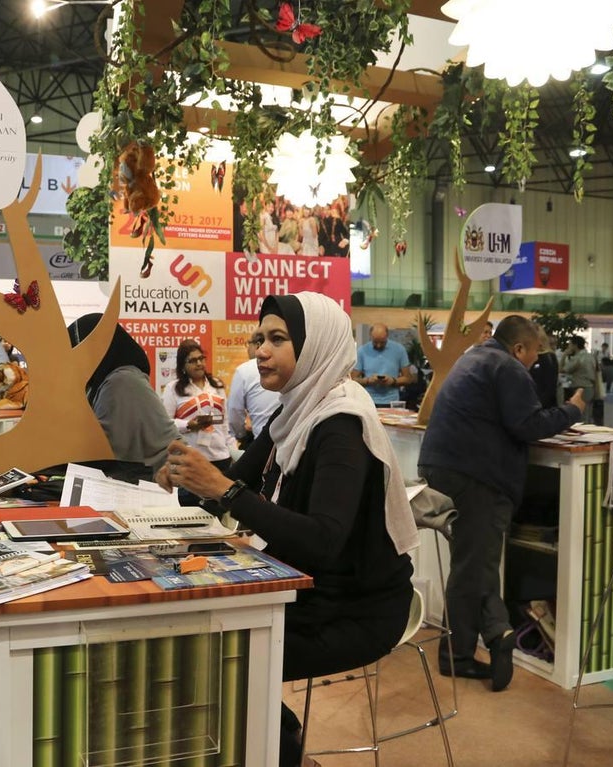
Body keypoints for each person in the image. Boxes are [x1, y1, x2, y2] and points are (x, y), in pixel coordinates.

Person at [155, 292, 418, 767]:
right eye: (260, 338)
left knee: (215, 655)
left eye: (277, 339)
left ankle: (279, 748)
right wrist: (185, 479)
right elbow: (234, 482)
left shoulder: (340, 424)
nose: (260, 351)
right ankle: (277, 739)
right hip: (308, 594)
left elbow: (322, 539)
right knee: (203, 641)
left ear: (314, 345)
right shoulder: (292, 412)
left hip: (355, 611)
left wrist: (225, 492)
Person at [418, 316, 582, 693]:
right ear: (519, 348)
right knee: (471, 567)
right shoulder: (506, 366)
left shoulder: (473, 358)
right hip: (478, 475)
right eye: (534, 355)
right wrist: (573, 410)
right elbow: (528, 424)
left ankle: (498, 632)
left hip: (446, 467)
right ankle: (456, 656)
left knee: (476, 562)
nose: (533, 363)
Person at [67, 314, 178, 482]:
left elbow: (103, 449)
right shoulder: (104, 382)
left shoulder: (121, 381)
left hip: (163, 483)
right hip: (149, 477)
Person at [162, 340, 232, 503]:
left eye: (201, 358)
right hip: (192, 459)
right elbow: (165, 424)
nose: (199, 363)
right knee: (191, 509)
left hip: (220, 458)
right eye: (192, 361)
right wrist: (188, 425)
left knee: (220, 510)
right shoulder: (174, 389)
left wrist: (231, 449)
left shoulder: (217, 386)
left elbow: (225, 424)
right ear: (182, 366)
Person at [226, 331, 281, 449]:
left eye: (248, 344)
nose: (247, 348)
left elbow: (234, 412)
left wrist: (241, 434)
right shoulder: (285, 365)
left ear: (257, 345)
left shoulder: (244, 370)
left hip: (262, 445)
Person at [351, 322, 414, 406]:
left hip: (392, 401)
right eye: (375, 342)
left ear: (387, 336)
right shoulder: (362, 351)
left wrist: (393, 381)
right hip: (368, 401)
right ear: (370, 336)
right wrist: (368, 380)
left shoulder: (399, 350)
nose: (378, 345)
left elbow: (408, 378)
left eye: (382, 342)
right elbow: (352, 379)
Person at [562, 336, 596, 420]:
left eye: (570, 344)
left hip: (580, 388)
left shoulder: (577, 358)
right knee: (587, 414)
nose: (569, 346)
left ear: (575, 345)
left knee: (580, 416)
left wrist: (564, 355)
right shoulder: (590, 356)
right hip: (590, 388)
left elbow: (563, 369)